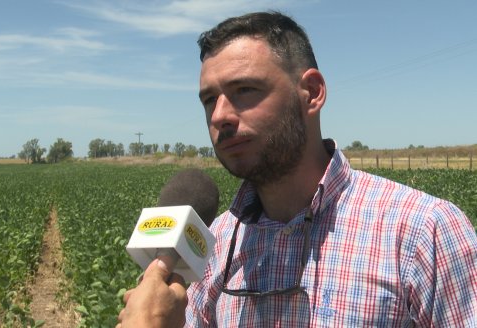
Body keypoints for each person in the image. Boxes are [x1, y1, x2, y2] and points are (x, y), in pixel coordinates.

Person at [117, 11, 477, 327]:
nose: (220, 116)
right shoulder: (216, 244)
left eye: (245, 89)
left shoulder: (423, 233)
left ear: (312, 92)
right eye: (209, 99)